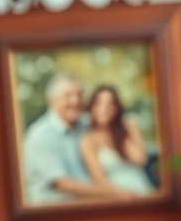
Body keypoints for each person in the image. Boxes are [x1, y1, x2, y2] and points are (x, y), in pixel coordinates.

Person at [22, 73, 133, 204]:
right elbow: (63, 184)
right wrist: (114, 192)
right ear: (52, 101)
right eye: (68, 96)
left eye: (79, 94)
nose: (75, 101)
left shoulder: (86, 124)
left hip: (90, 202)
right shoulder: (41, 135)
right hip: (53, 210)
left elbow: (114, 124)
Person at [79, 85, 155, 198]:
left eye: (110, 104)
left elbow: (140, 159)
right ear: (92, 107)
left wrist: (117, 132)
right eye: (99, 103)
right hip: (116, 198)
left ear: (116, 108)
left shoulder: (128, 126)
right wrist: (124, 194)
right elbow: (100, 181)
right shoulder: (87, 140)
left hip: (143, 190)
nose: (104, 109)